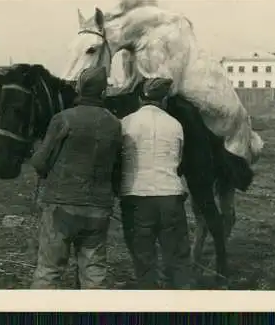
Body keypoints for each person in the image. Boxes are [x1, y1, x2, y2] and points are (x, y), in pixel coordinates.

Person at [29, 66, 122, 289]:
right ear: (103, 91)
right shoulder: (114, 124)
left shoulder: (63, 119)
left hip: (62, 207)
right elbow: (117, 168)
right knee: (94, 272)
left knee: (49, 271)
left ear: (79, 88)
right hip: (98, 209)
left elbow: (40, 163)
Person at [119, 77, 192, 290]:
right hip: (170, 196)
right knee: (178, 259)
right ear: (164, 100)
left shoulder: (126, 123)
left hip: (136, 197)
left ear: (141, 98)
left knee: (143, 260)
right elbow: (177, 160)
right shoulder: (175, 125)